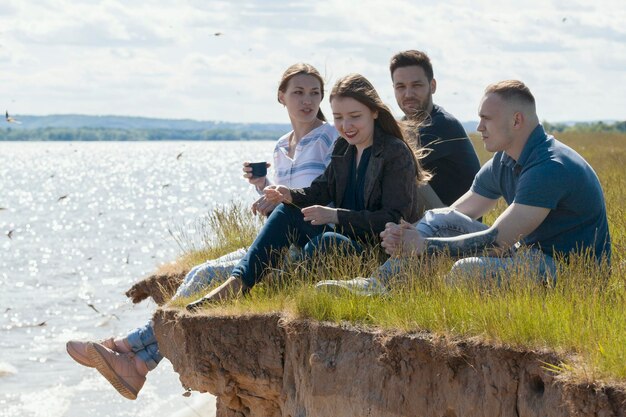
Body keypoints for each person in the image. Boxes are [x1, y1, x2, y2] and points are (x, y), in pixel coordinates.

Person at [65, 62, 338, 400]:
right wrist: (262, 186)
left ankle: (129, 351)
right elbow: (281, 196)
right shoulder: (281, 145)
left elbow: (327, 194)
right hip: (273, 237)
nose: (307, 100)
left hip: (302, 242)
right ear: (281, 97)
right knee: (201, 271)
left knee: (208, 276)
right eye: (298, 92)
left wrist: (284, 201)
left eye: (314, 93)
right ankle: (138, 362)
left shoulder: (330, 137)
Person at [318, 80, 611, 295]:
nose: (479, 127)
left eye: (486, 119)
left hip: (573, 274)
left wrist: (424, 246)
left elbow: (498, 241)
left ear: (517, 120)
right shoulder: (505, 160)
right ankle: (378, 286)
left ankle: (434, 306)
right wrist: (409, 234)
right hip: (527, 256)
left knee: (467, 271)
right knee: (438, 219)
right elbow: (454, 215)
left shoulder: (549, 166)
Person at [185, 73, 429, 309]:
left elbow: (393, 218)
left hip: (375, 253)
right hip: (342, 238)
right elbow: (321, 189)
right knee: (287, 211)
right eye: (338, 117)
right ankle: (238, 283)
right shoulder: (344, 147)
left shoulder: (394, 152)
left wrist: (335, 216)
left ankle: (287, 282)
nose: (346, 126)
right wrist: (289, 195)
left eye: (354, 116)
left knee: (324, 243)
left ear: (374, 112)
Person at [390, 50, 481, 207]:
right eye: (400, 87)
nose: (408, 94)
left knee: (404, 169)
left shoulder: (442, 125)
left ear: (432, 86)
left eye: (416, 85)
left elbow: (391, 164)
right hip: (433, 218)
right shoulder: (405, 125)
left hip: (457, 225)